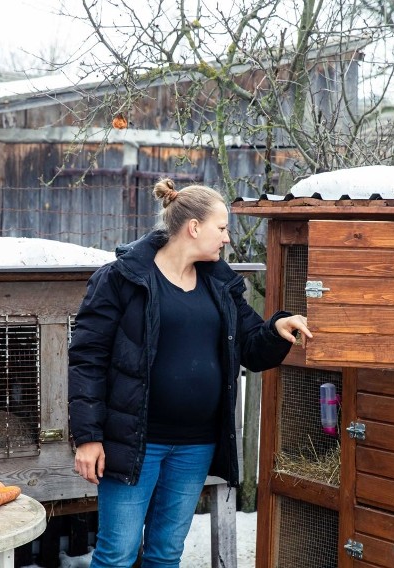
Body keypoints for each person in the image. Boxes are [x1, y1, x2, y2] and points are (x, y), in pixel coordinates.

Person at [68, 178, 312, 568]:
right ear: (194, 227)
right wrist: (87, 437)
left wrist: (276, 329)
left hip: (195, 446)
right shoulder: (122, 279)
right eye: (222, 228)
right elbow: (86, 358)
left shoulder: (219, 283)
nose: (228, 239)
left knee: (166, 553)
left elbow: (251, 343)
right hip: (134, 442)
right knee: (117, 554)